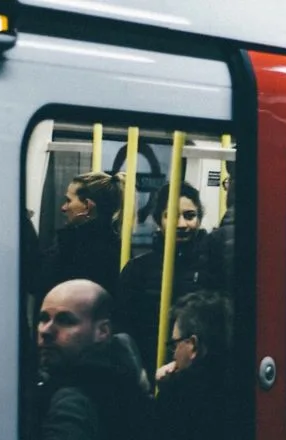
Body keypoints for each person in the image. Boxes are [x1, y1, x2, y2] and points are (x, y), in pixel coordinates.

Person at [118, 182, 215, 380]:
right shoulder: (138, 270)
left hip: (198, 372)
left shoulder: (212, 266)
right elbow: (126, 327)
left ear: (199, 219)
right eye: (170, 215)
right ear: (158, 220)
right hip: (146, 369)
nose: (181, 224)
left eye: (189, 216)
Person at [34, 279, 152, 440]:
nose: (46, 331)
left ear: (102, 331)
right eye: (43, 319)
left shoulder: (72, 402)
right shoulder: (126, 381)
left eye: (65, 320)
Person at [154, 290, 239, 440]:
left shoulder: (176, 398)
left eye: (175, 343)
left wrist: (167, 388)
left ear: (193, 345)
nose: (173, 354)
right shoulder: (241, 388)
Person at [37, 172, 125, 301]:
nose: (63, 208)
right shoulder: (115, 245)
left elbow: (41, 281)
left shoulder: (75, 248)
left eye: (69, 201)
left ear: (87, 207)